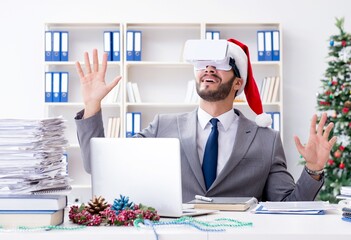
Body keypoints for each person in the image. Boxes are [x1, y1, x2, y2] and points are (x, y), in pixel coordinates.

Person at [74, 38, 337, 203]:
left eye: (221, 64)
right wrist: (92, 106)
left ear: (238, 82)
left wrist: (313, 170)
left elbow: (287, 206)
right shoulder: (162, 127)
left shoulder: (266, 140)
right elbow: (100, 165)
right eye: (203, 64)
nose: (209, 69)